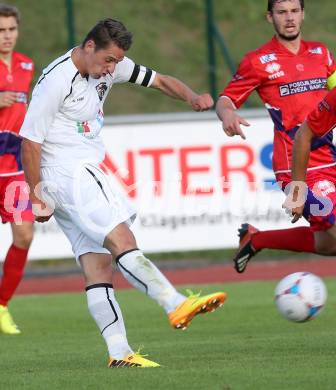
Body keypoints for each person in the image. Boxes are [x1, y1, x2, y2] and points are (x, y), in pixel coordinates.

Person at [20, 18, 226, 368]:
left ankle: (119, 353)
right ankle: (174, 303)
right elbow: (30, 142)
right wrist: (37, 195)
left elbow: (159, 80)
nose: (111, 69)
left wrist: (191, 96)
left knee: (98, 264)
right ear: (89, 47)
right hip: (70, 172)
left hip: (73, 174)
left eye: (116, 62)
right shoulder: (56, 82)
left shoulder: (107, 67)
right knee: (121, 236)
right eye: (108, 61)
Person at [216, 0, 336, 273]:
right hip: (295, 169)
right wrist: (227, 114)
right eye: (282, 13)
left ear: (303, 14)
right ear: (270, 17)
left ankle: (257, 239)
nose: (289, 18)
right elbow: (226, 98)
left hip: (330, 159)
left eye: (294, 11)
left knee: (329, 244)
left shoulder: (321, 53)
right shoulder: (258, 61)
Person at [0, 4, 34, 334]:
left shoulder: (26, 64)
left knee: (24, 235)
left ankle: (1, 306)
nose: (7, 35)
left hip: (13, 168)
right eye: (1, 30)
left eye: (11, 29)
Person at [283, 87, 336, 238]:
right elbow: (303, 135)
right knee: (327, 243)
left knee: (326, 245)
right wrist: (297, 192)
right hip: (312, 169)